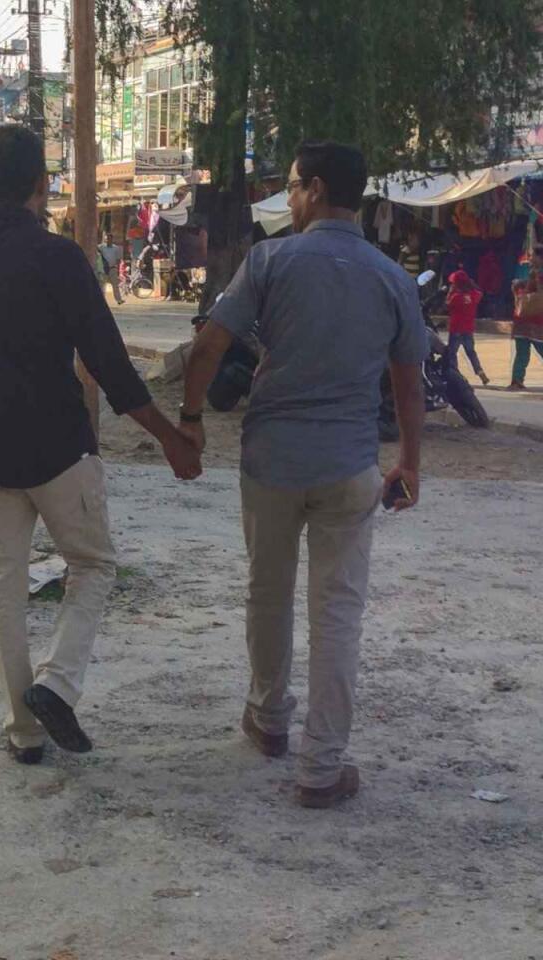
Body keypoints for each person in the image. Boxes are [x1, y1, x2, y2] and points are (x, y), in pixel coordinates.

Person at [0, 125, 200, 766]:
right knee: (93, 566)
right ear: (41, 182)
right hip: (58, 447)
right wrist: (171, 439)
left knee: (2, 584)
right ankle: (56, 686)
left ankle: (23, 733)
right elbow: (110, 366)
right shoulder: (59, 258)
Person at [179, 141, 427, 809]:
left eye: (291, 186)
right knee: (337, 614)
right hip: (349, 466)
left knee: (268, 592)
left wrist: (191, 417)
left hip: (272, 463)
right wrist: (410, 462)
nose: (287, 198)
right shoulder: (391, 277)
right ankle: (322, 767)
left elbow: (208, 345)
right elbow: (409, 384)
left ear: (315, 189)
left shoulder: (270, 261)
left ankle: (267, 720)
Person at [446, 269, 489, 384]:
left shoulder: (455, 297)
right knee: (471, 352)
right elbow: (480, 292)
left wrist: (450, 292)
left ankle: (455, 375)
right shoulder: (474, 295)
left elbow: (447, 304)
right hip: (468, 329)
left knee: (452, 353)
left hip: (455, 329)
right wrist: (472, 284)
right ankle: (479, 371)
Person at [510, 244, 543, 390]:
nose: (530, 258)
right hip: (524, 319)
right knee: (522, 351)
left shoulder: (537, 274)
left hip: (536, 320)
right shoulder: (531, 271)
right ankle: (517, 380)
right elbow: (529, 290)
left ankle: (517, 380)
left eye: (533, 255)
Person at [98, 232, 125, 305]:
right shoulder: (100, 247)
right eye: (106, 239)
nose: (107, 241)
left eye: (108, 239)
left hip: (113, 269)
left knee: (115, 285)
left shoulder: (116, 248)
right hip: (103, 269)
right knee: (102, 285)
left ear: (111, 239)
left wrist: (119, 271)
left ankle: (119, 300)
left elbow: (118, 260)